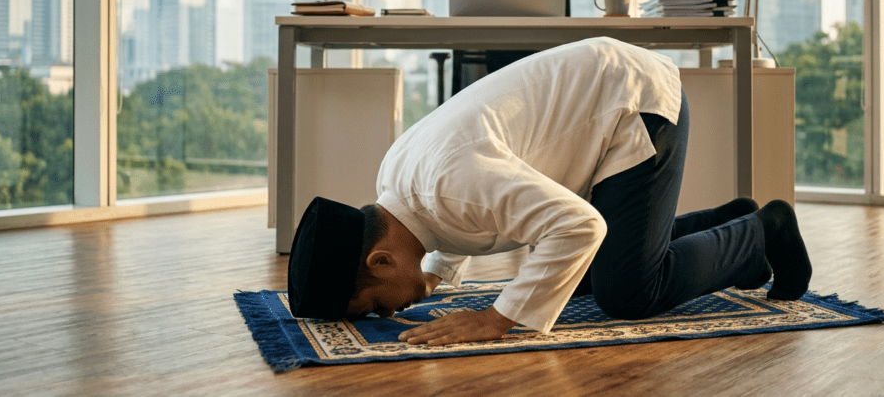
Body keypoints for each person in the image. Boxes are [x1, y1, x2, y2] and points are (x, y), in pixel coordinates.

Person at [286, 37, 811, 346]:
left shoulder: (451, 183)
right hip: (601, 102)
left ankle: (765, 232)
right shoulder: (400, 185)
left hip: (632, 101)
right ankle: (732, 225)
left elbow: (581, 225)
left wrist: (495, 320)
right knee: (577, 281)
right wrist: (437, 275)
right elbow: (453, 218)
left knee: (627, 293)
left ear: (381, 261)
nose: (391, 314)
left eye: (380, 306)